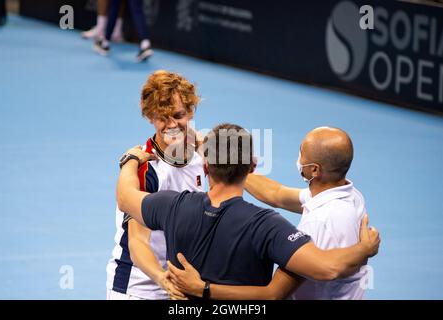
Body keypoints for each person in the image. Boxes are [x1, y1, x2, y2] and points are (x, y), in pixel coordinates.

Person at [116, 123, 380, 299]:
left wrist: (131, 160)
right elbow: (320, 271)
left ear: (205, 167)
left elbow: (126, 198)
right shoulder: (269, 227)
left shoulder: (170, 205)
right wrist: (364, 250)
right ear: (252, 167)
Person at [106, 70, 203, 300]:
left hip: (183, 284)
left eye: (178, 115)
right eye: (162, 117)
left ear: (191, 112)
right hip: (139, 289)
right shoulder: (145, 168)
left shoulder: (201, 153)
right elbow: (137, 241)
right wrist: (163, 280)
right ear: (150, 116)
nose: (171, 125)